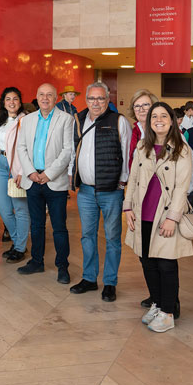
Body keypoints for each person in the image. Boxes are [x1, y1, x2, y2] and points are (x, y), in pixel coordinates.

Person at [124, 102, 193, 333]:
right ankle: (156, 302)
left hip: (164, 215)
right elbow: (132, 180)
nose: (159, 119)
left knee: (166, 263)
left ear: (172, 120)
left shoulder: (181, 149)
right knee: (147, 261)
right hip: (142, 213)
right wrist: (127, 207)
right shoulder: (142, 146)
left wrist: (173, 217)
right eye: (155, 116)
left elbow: (182, 187)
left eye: (164, 116)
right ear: (149, 121)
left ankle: (168, 311)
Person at [69, 81, 131, 302]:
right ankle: (89, 279)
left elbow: (126, 153)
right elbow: (74, 150)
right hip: (85, 191)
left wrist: (123, 182)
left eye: (101, 98)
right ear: (86, 100)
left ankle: (110, 283)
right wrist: (72, 174)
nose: (96, 102)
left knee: (113, 238)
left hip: (111, 191)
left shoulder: (119, 121)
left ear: (108, 100)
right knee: (87, 237)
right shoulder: (79, 119)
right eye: (92, 98)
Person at [16, 83, 74, 278]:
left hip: (54, 181)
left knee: (59, 227)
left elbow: (67, 150)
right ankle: (36, 261)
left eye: (49, 95)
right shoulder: (28, 119)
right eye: (42, 94)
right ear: (37, 96)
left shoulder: (65, 119)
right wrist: (31, 172)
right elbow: (21, 147)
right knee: (36, 225)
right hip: (32, 180)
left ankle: (62, 267)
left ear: (56, 98)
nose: (45, 98)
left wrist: (49, 174)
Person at [0, 87, 29, 262]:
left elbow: (29, 148)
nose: (11, 102)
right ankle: (18, 240)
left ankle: (19, 246)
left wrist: (22, 172)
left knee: (20, 209)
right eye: (8, 99)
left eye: (15, 99)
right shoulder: (1, 120)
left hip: (18, 168)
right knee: (3, 208)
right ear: (3, 102)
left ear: (20, 102)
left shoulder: (26, 120)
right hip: (2, 166)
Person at [127, 89, 157, 169]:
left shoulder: (168, 131)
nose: (141, 109)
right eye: (137, 106)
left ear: (154, 107)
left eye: (145, 105)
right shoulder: (134, 132)